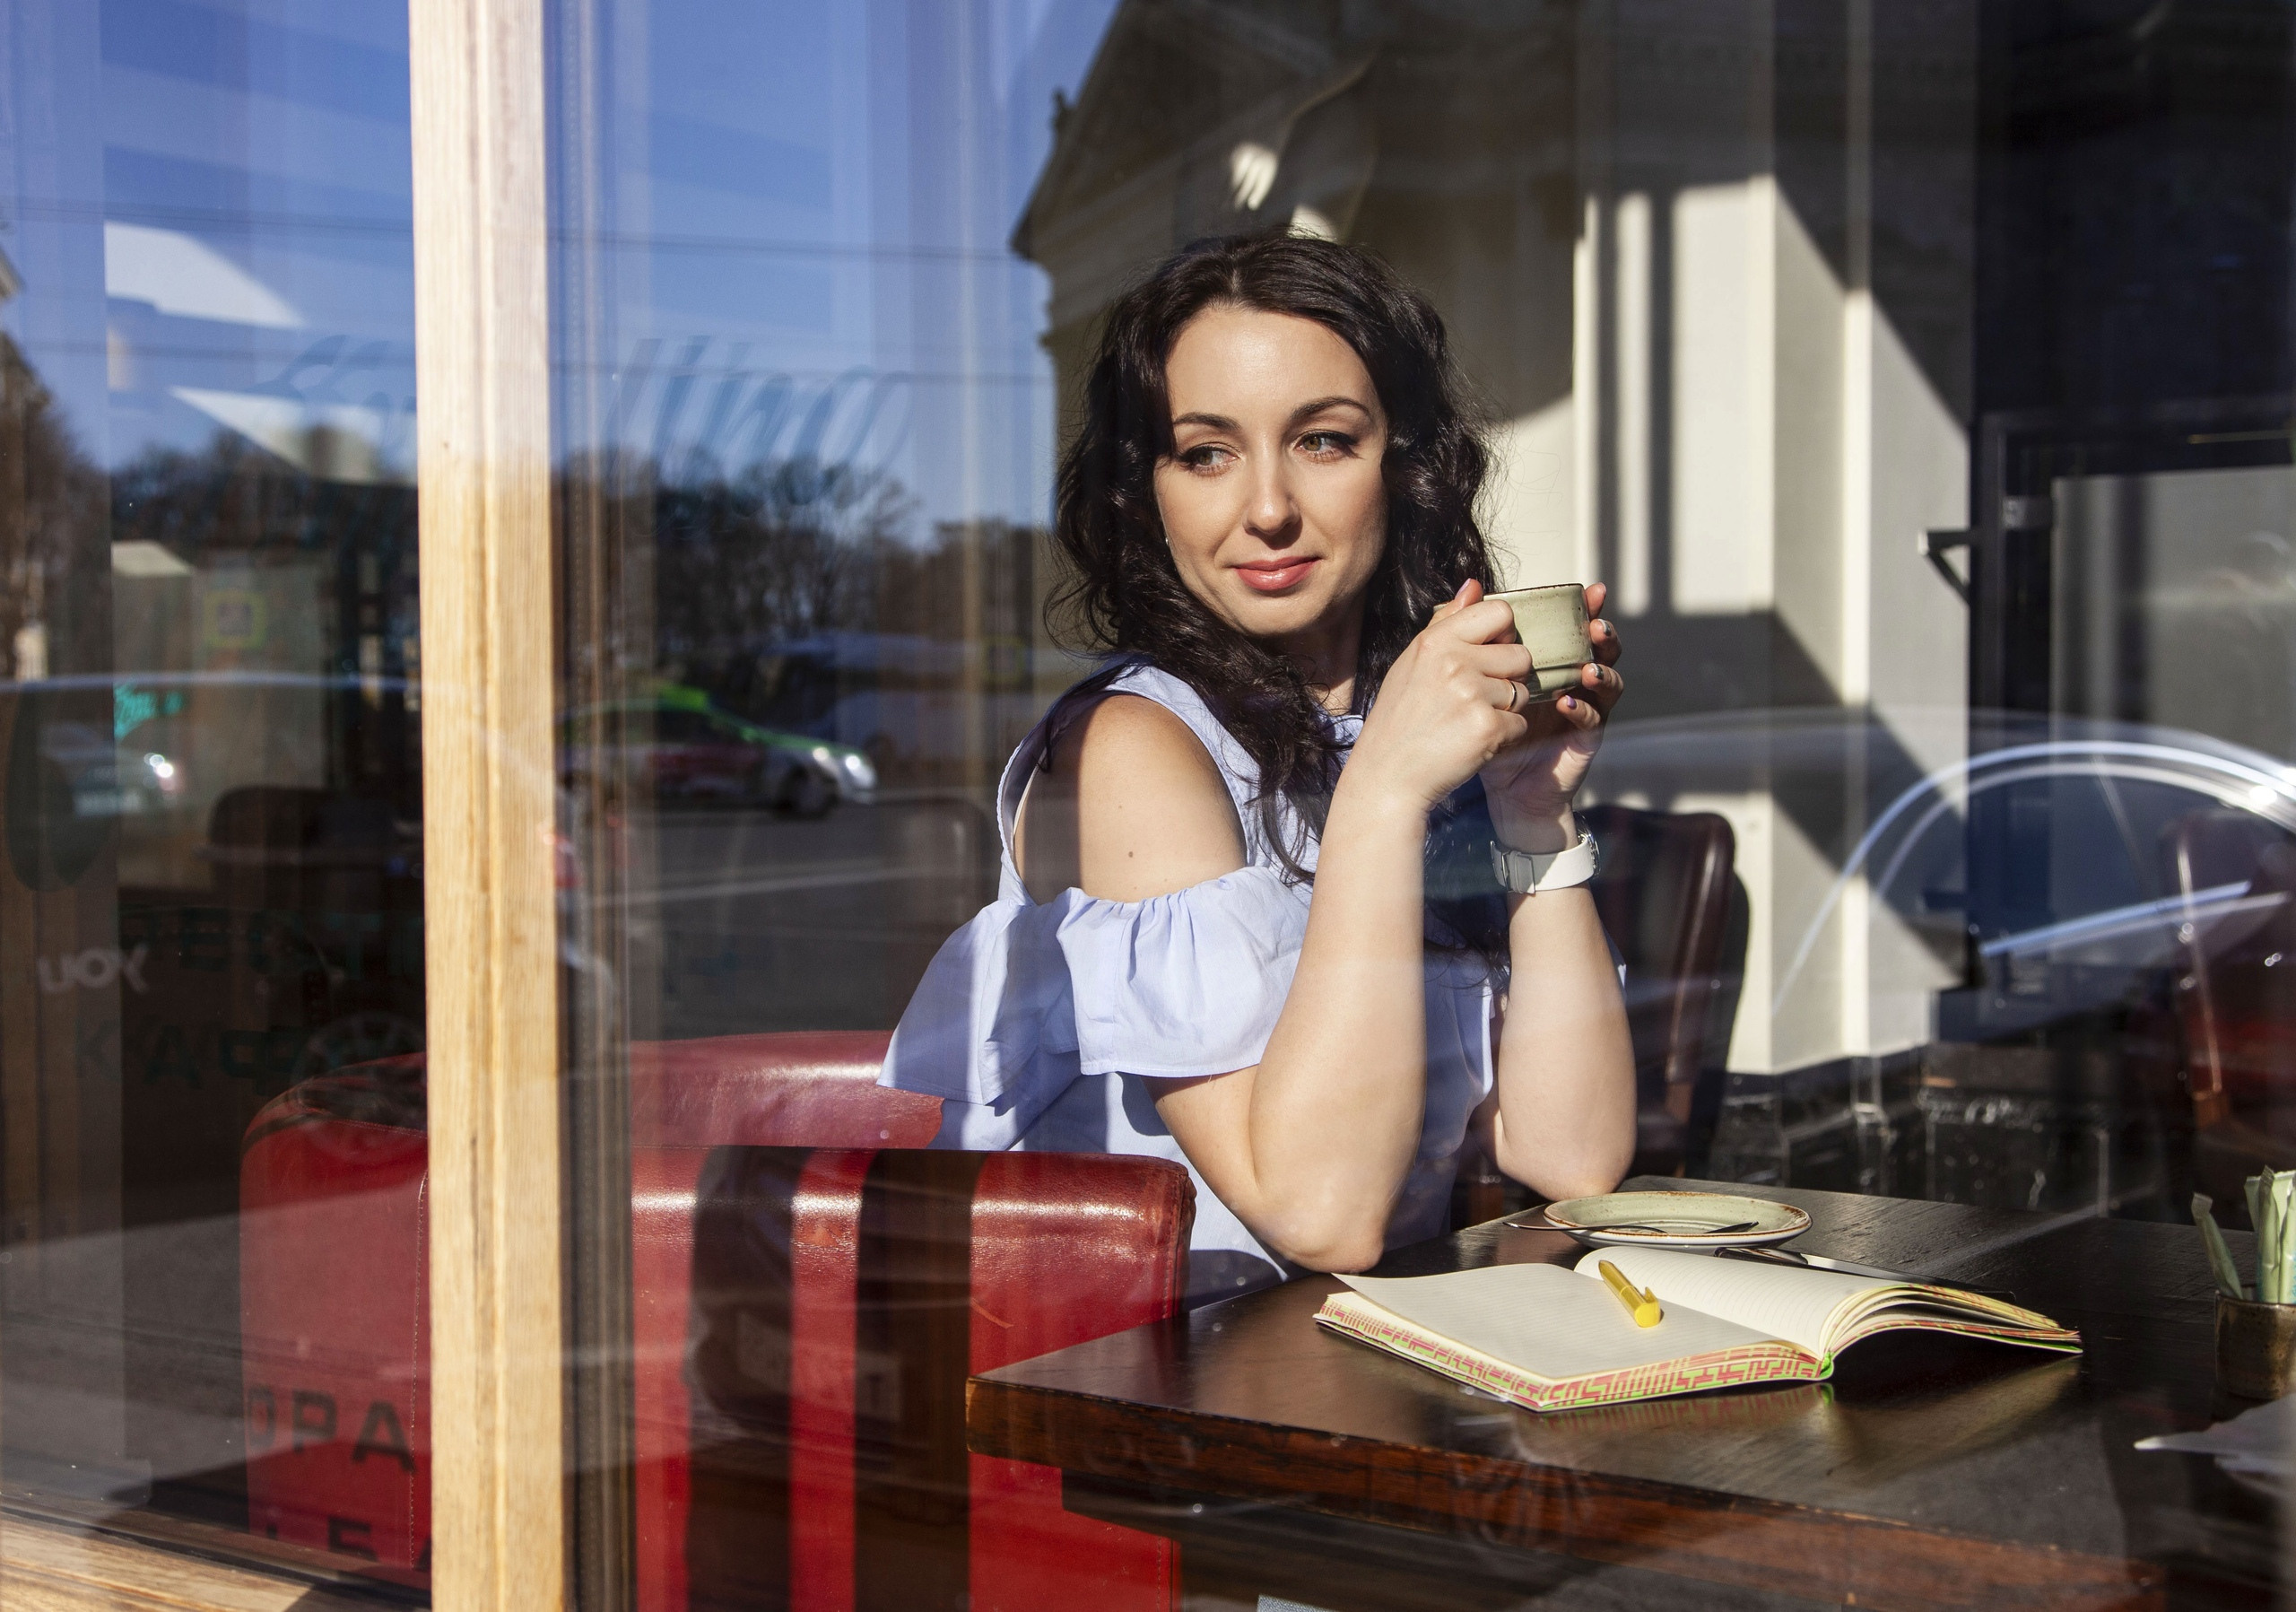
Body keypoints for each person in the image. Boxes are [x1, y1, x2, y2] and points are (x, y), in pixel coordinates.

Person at [881, 234, 1634, 1301]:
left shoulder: (1396, 733)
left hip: (1327, 1375)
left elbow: (1573, 1160)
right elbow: (1320, 1213)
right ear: (1146, 494)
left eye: (1323, 441)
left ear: (1406, 469)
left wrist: (1528, 814)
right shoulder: (1132, 747)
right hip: (1118, 1404)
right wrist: (1384, 789)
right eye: (1205, 453)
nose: (1268, 507)